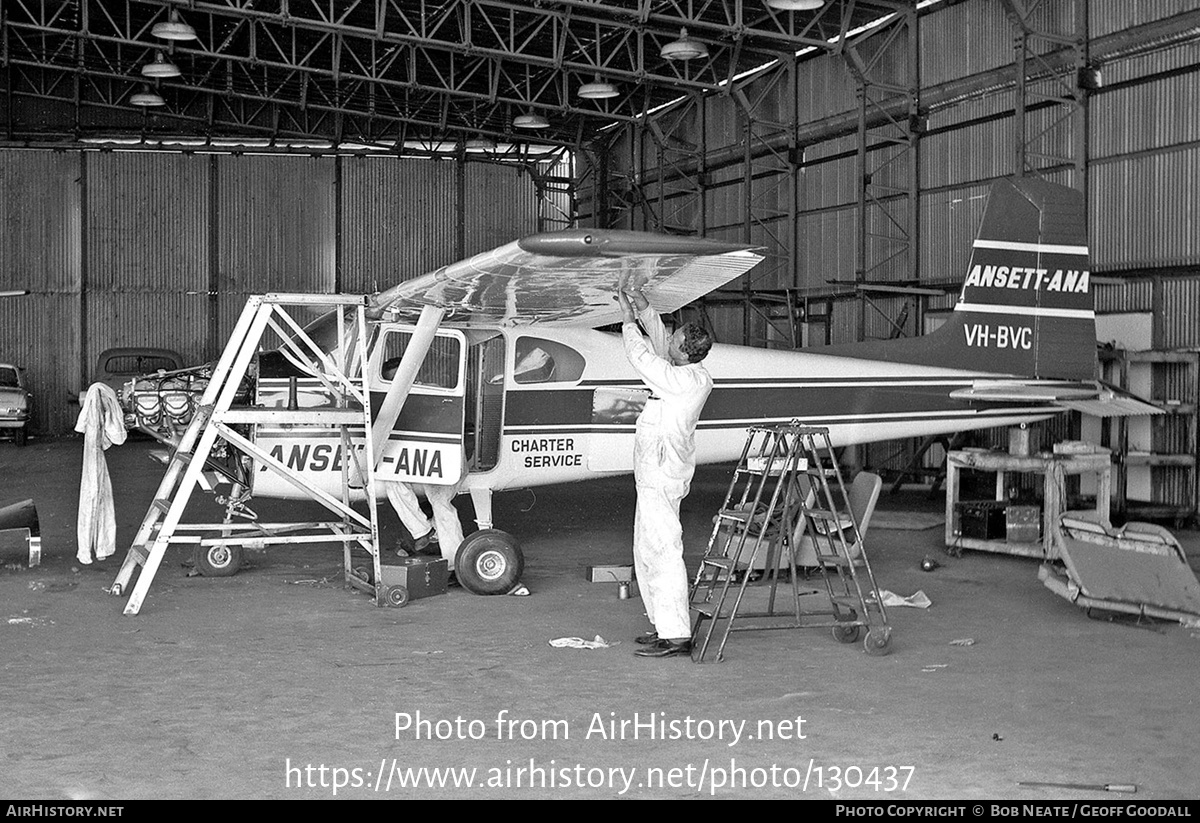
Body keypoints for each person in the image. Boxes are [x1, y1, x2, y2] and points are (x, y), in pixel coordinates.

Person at [617, 286, 714, 659]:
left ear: (684, 350)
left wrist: (629, 323)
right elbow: (660, 345)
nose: (668, 339)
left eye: (675, 338)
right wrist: (646, 310)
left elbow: (644, 357)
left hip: (661, 473)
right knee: (646, 547)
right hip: (654, 472)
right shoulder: (684, 371)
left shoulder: (684, 381)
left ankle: (676, 634)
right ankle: (663, 626)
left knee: (664, 549)